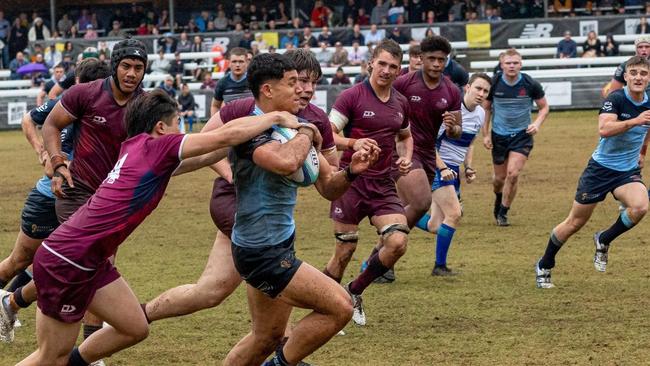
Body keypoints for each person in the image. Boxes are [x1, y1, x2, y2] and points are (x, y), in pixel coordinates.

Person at [6, 89, 304, 365]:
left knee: (135, 326)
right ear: (161, 128)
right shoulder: (161, 146)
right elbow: (222, 136)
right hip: (70, 260)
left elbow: (208, 154)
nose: (180, 129)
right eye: (177, 123)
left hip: (88, 258)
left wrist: (242, 147)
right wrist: (276, 117)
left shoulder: (135, 148)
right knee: (50, 357)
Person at [140, 50, 340, 355]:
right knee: (262, 276)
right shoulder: (244, 110)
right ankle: (283, 348)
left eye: (313, 82)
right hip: (233, 203)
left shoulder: (315, 119)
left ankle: (139, 314)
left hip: (273, 225)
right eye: (298, 81)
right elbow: (205, 147)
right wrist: (232, 175)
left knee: (211, 292)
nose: (306, 89)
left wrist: (350, 164)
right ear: (272, 86)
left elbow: (328, 177)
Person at [221, 52, 377, 366]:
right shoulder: (251, 129)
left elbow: (328, 187)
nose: (300, 90)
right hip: (260, 251)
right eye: (292, 84)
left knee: (266, 337)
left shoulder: (297, 126)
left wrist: (352, 171)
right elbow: (285, 162)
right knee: (341, 306)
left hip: (279, 243)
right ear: (268, 90)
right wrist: (307, 132)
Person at [1, 39, 149, 349]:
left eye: (138, 68)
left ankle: (13, 304)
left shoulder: (144, 106)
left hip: (110, 201)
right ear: (114, 67)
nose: (132, 73)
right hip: (64, 193)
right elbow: (42, 121)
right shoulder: (81, 95)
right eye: (126, 66)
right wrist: (52, 160)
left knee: (78, 265)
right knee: (33, 260)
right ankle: (83, 348)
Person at [0, 59, 111, 344]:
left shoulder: (109, 113)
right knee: (21, 260)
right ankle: (9, 304)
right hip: (50, 198)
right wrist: (42, 150)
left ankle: (90, 350)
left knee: (95, 267)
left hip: (93, 202)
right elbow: (29, 119)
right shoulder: (66, 105)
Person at [535, 55, 650, 289]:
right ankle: (545, 264)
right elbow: (604, 129)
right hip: (599, 170)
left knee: (640, 206)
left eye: (644, 73)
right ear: (626, 76)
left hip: (626, 171)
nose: (638, 77)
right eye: (634, 73)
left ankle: (604, 238)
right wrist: (634, 121)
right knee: (575, 222)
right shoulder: (615, 99)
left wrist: (642, 151)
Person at [324, 39, 412, 326]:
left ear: (399, 71)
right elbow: (327, 134)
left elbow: (405, 135)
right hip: (350, 182)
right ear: (370, 63)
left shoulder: (400, 103)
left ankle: (353, 291)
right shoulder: (351, 96)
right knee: (345, 251)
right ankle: (326, 309)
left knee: (398, 242)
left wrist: (405, 157)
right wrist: (353, 141)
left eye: (393, 67)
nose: (386, 70)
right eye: (382, 63)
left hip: (383, 184)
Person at [365, 35, 462, 282]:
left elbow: (457, 131)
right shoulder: (405, 83)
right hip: (403, 151)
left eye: (441, 60)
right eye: (431, 59)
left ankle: (380, 262)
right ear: (421, 58)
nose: (436, 64)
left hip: (429, 154)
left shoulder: (451, 90)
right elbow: (384, 104)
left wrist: (452, 127)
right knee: (421, 202)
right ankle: (379, 257)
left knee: (403, 212)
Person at [414, 73, 492, 275]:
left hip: (453, 170)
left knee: (434, 225)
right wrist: (442, 168)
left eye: (485, 91)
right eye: (478, 88)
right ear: (467, 87)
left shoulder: (481, 114)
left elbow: (470, 143)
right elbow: (430, 144)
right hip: (439, 167)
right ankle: (439, 267)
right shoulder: (450, 112)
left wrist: (468, 167)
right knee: (455, 214)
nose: (481, 94)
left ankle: (402, 218)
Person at [482, 48, 549, 226]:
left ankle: (503, 212)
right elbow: (486, 109)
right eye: (508, 63)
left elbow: (544, 107)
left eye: (515, 63)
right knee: (499, 180)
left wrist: (537, 124)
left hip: (522, 135)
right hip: (499, 136)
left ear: (521, 64)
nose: (512, 66)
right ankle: (498, 197)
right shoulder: (494, 82)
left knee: (513, 174)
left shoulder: (529, 83)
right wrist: (486, 134)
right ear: (501, 65)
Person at [211, 47, 252, 116]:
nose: (237, 65)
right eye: (234, 61)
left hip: (252, 123)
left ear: (247, 63)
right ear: (229, 63)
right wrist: (215, 123)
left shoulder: (255, 80)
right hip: (231, 124)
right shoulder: (222, 83)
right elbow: (215, 106)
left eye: (241, 61)